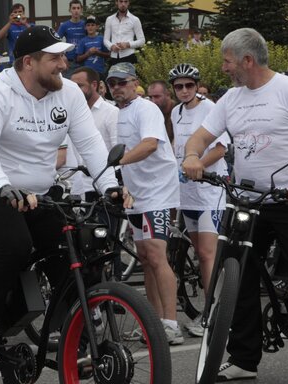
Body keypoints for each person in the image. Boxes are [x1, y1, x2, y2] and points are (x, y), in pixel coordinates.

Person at [182, 28, 288, 384]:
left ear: (247, 61)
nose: (223, 68)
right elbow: (201, 137)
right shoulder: (231, 99)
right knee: (237, 279)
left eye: (227, 61)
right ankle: (243, 359)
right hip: (245, 201)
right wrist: (193, 155)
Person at [0, 26, 128, 358]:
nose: (64, 64)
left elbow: (91, 143)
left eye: (64, 56)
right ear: (28, 63)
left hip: (40, 193)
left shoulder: (67, 93)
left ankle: (76, 333)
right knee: (15, 245)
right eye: (55, 58)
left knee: (70, 250)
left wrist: (110, 186)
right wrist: (3, 186)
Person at [106, 62, 183, 345]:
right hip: (136, 195)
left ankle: (171, 324)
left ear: (134, 83)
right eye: (112, 83)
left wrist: (118, 163)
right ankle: (153, 322)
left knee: (156, 255)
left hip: (157, 193)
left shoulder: (145, 108)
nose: (117, 88)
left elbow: (150, 144)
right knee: (146, 259)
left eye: (122, 82)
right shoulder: (119, 113)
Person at [168, 63, 228, 338]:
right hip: (187, 192)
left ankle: (215, 312)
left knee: (207, 254)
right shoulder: (175, 111)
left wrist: (198, 167)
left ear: (196, 86)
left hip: (209, 191)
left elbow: (219, 148)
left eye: (188, 86)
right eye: (178, 86)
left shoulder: (210, 108)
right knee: (198, 253)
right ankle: (211, 310)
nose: (183, 91)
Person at [66, 66, 119, 197]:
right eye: (73, 86)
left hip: (103, 187)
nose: (75, 91)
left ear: (94, 85)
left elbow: (118, 151)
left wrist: (111, 182)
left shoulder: (111, 112)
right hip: (77, 187)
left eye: (80, 86)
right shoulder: (69, 113)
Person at [103, 0, 145, 65]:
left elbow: (142, 40)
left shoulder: (135, 20)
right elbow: (105, 39)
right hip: (114, 57)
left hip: (129, 56)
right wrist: (111, 46)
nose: (123, 4)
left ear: (128, 3)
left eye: (125, 1)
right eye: (121, 1)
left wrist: (127, 44)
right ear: (116, 2)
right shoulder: (109, 19)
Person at [56, 0, 86, 77]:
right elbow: (56, 40)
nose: (76, 11)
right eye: (74, 8)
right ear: (70, 10)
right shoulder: (64, 25)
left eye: (78, 8)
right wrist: (62, 55)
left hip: (84, 60)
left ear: (81, 10)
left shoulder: (85, 24)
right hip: (70, 62)